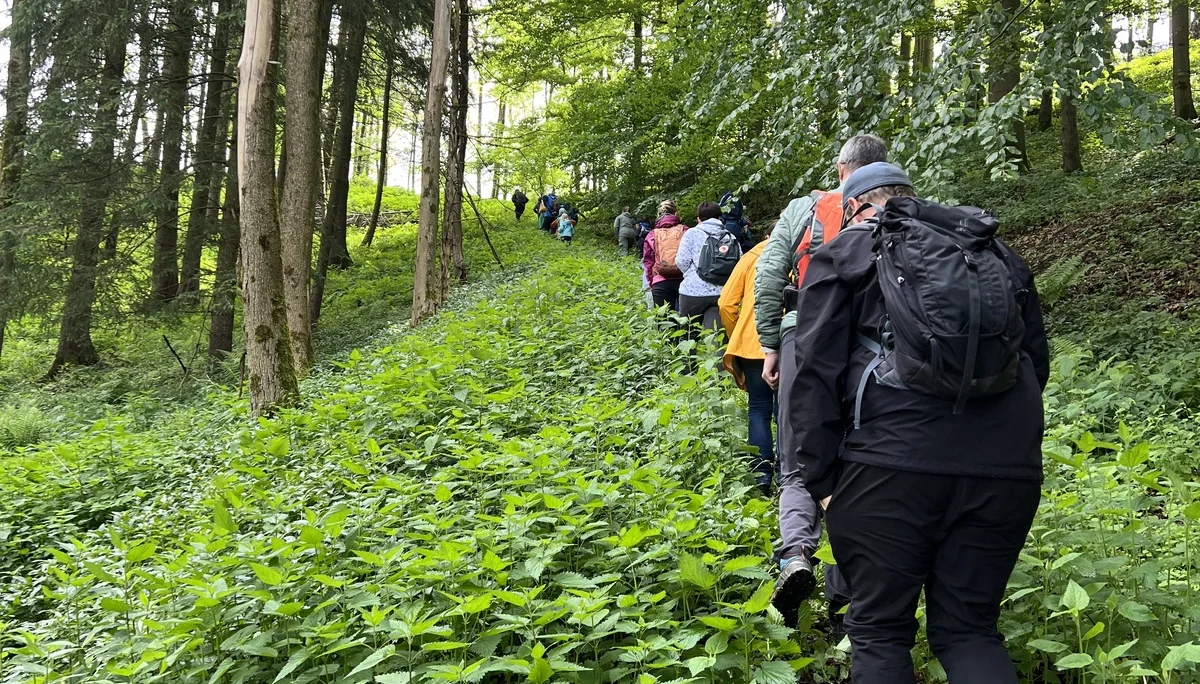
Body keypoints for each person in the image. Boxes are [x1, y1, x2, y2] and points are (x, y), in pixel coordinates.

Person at [791, 162, 1048, 684]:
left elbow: (814, 374)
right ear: (908, 196)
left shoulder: (844, 252)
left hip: (886, 465)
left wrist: (820, 483)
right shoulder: (994, 254)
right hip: (1006, 468)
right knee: (971, 631)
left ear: (854, 208)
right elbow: (1034, 367)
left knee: (881, 632)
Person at [754, 134, 888, 629]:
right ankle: (845, 595)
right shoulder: (896, 211)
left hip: (804, 340)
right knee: (855, 466)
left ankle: (795, 558)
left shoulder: (807, 209)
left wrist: (771, 341)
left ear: (840, 170)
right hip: (870, 352)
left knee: (797, 462)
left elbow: (769, 273)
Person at [718, 220, 777, 494]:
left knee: (759, 409)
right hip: (793, 344)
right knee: (792, 412)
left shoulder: (752, 256)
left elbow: (726, 303)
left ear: (767, 235)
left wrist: (738, 334)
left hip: (754, 345)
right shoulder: (807, 252)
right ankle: (793, 477)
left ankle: (762, 477)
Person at [673, 202, 728, 337]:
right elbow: (738, 262)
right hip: (721, 292)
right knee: (717, 335)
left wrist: (692, 274)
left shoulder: (691, 233)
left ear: (699, 218)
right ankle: (718, 358)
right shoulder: (729, 236)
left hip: (693, 292)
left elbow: (682, 261)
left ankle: (689, 358)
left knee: (688, 334)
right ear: (719, 217)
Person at [641, 204, 686, 312]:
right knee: (686, 322)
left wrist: (652, 283)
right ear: (676, 213)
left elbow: (648, 263)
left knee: (665, 323)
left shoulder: (652, 235)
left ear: (658, 215)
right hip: (684, 281)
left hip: (660, 281)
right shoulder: (685, 230)